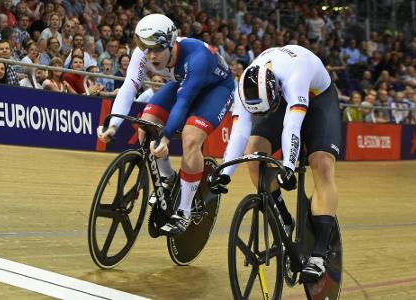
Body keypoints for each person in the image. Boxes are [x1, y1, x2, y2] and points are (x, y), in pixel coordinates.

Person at [209, 45, 342, 283]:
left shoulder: (295, 74)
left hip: (317, 97)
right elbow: (240, 133)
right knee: (254, 151)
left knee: (321, 163)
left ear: (275, 90)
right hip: (278, 101)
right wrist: (225, 172)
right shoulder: (244, 87)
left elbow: (292, 125)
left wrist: (288, 167)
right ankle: (283, 218)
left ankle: (320, 253)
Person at [97, 14, 234, 236]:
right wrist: (113, 125)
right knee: (146, 125)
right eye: (146, 48)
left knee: (191, 137)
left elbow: (184, 101)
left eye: (157, 49)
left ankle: (184, 211)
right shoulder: (142, 54)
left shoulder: (196, 56)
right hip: (183, 82)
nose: (151, 55)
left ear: (171, 42)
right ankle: (168, 177)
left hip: (216, 89)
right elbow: (129, 87)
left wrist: (167, 136)